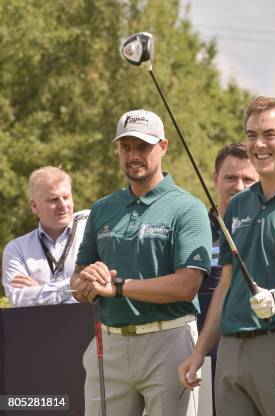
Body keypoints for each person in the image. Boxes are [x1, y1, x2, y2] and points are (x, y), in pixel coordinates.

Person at [178, 96, 275, 416]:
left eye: (269, 135)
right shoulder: (237, 206)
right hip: (231, 350)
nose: (258, 144)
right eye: (251, 135)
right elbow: (226, 285)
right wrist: (199, 351)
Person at [70, 109, 212, 416]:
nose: (133, 155)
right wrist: (88, 284)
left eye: (143, 147)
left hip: (169, 342)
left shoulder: (187, 208)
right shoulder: (103, 208)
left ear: (163, 147)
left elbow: (187, 285)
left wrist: (119, 287)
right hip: (110, 343)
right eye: (126, 147)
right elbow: (78, 281)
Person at [2, 166, 89, 307]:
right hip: (40, 328)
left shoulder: (91, 229)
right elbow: (18, 299)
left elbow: (99, 284)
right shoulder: (17, 249)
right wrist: (72, 285)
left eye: (66, 197)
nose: (63, 205)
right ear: (34, 206)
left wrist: (38, 292)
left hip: (89, 326)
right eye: (53, 200)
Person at [203, 143, 258, 291]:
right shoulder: (193, 230)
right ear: (216, 178)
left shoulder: (270, 230)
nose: (239, 187)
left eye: (247, 180)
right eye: (231, 178)